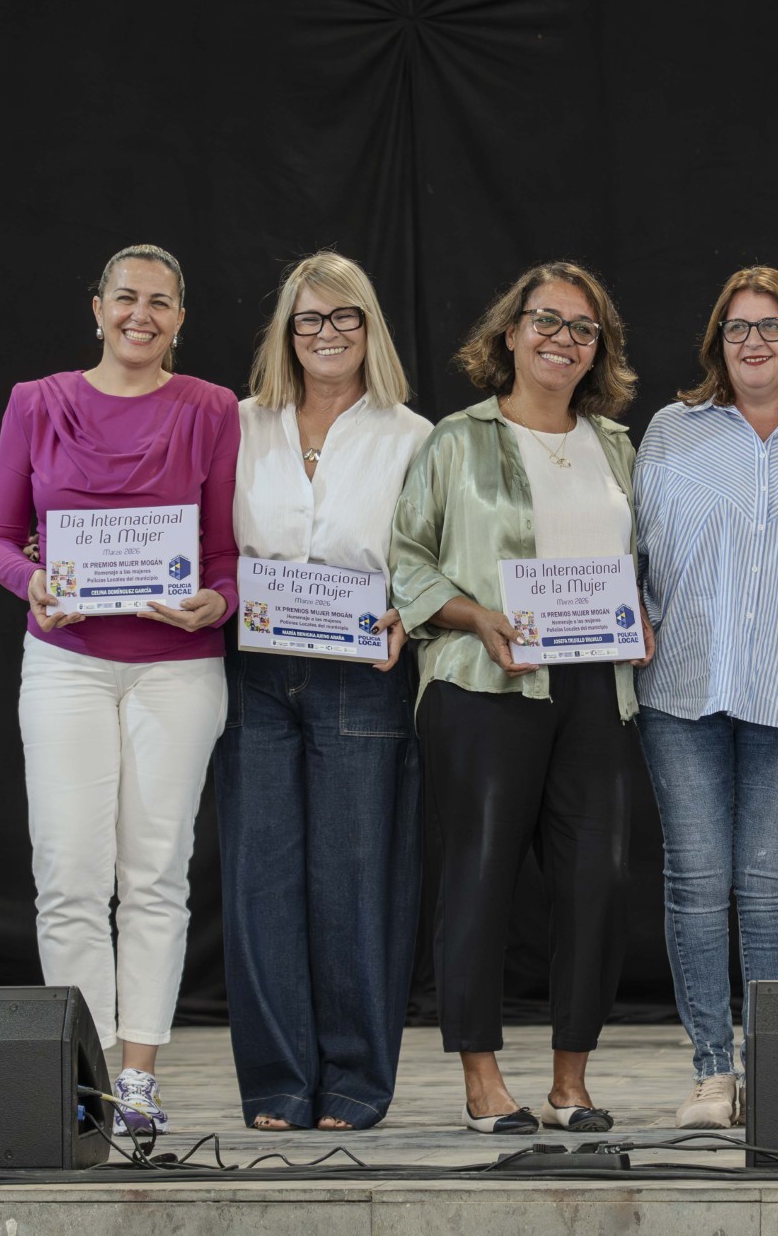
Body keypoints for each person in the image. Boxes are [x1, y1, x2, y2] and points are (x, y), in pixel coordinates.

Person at [0, 244, 238, 1132]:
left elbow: (228, 558)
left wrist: (219, 602)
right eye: (126, 298)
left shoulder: (211, 410)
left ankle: (138, 1080)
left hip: (178, 671)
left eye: (160, 302)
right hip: (66, 665)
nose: (141, 314)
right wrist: (31, 583)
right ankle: (81, 1082)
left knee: (157, 874)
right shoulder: (36, 403)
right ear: (96, 307)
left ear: (180, 318)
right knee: (69, 877)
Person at [392, 260, 650, 1134]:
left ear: (597, 350)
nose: (562, 339)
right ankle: (481, 1078)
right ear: (509, 332)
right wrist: (473, 615)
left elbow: (637, 564)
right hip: (483, 682)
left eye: (583, 328)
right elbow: (406, 560)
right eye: (547, 320)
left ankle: (571, 1080)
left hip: (596, 688)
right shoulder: (454, 440)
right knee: (481, 874)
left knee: (595, 882)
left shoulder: (617, 445)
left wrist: (641, 614)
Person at [635, 266, 778, 1129]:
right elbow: (632, 545)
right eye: (737, 329)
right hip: (681, 689)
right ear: (716, 343)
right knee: (696, 884)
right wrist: (631, 614)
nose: (754, 342)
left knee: (771, 888)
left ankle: (769, 1069)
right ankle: (709, 1073)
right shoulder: (671, 431)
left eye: (770, 327)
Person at [216, 252, 432, 1131]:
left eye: (345, 318)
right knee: (261, 876)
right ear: (286, 333)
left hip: (362, 675)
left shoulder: (413, 434)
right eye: (310, 320)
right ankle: (276, 1080)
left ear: (370, 328)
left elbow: (430, 555)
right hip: (255, 673)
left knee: (355, 879)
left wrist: (408, 618)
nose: (327, 334)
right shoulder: (239, 425)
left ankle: (352, 1080)